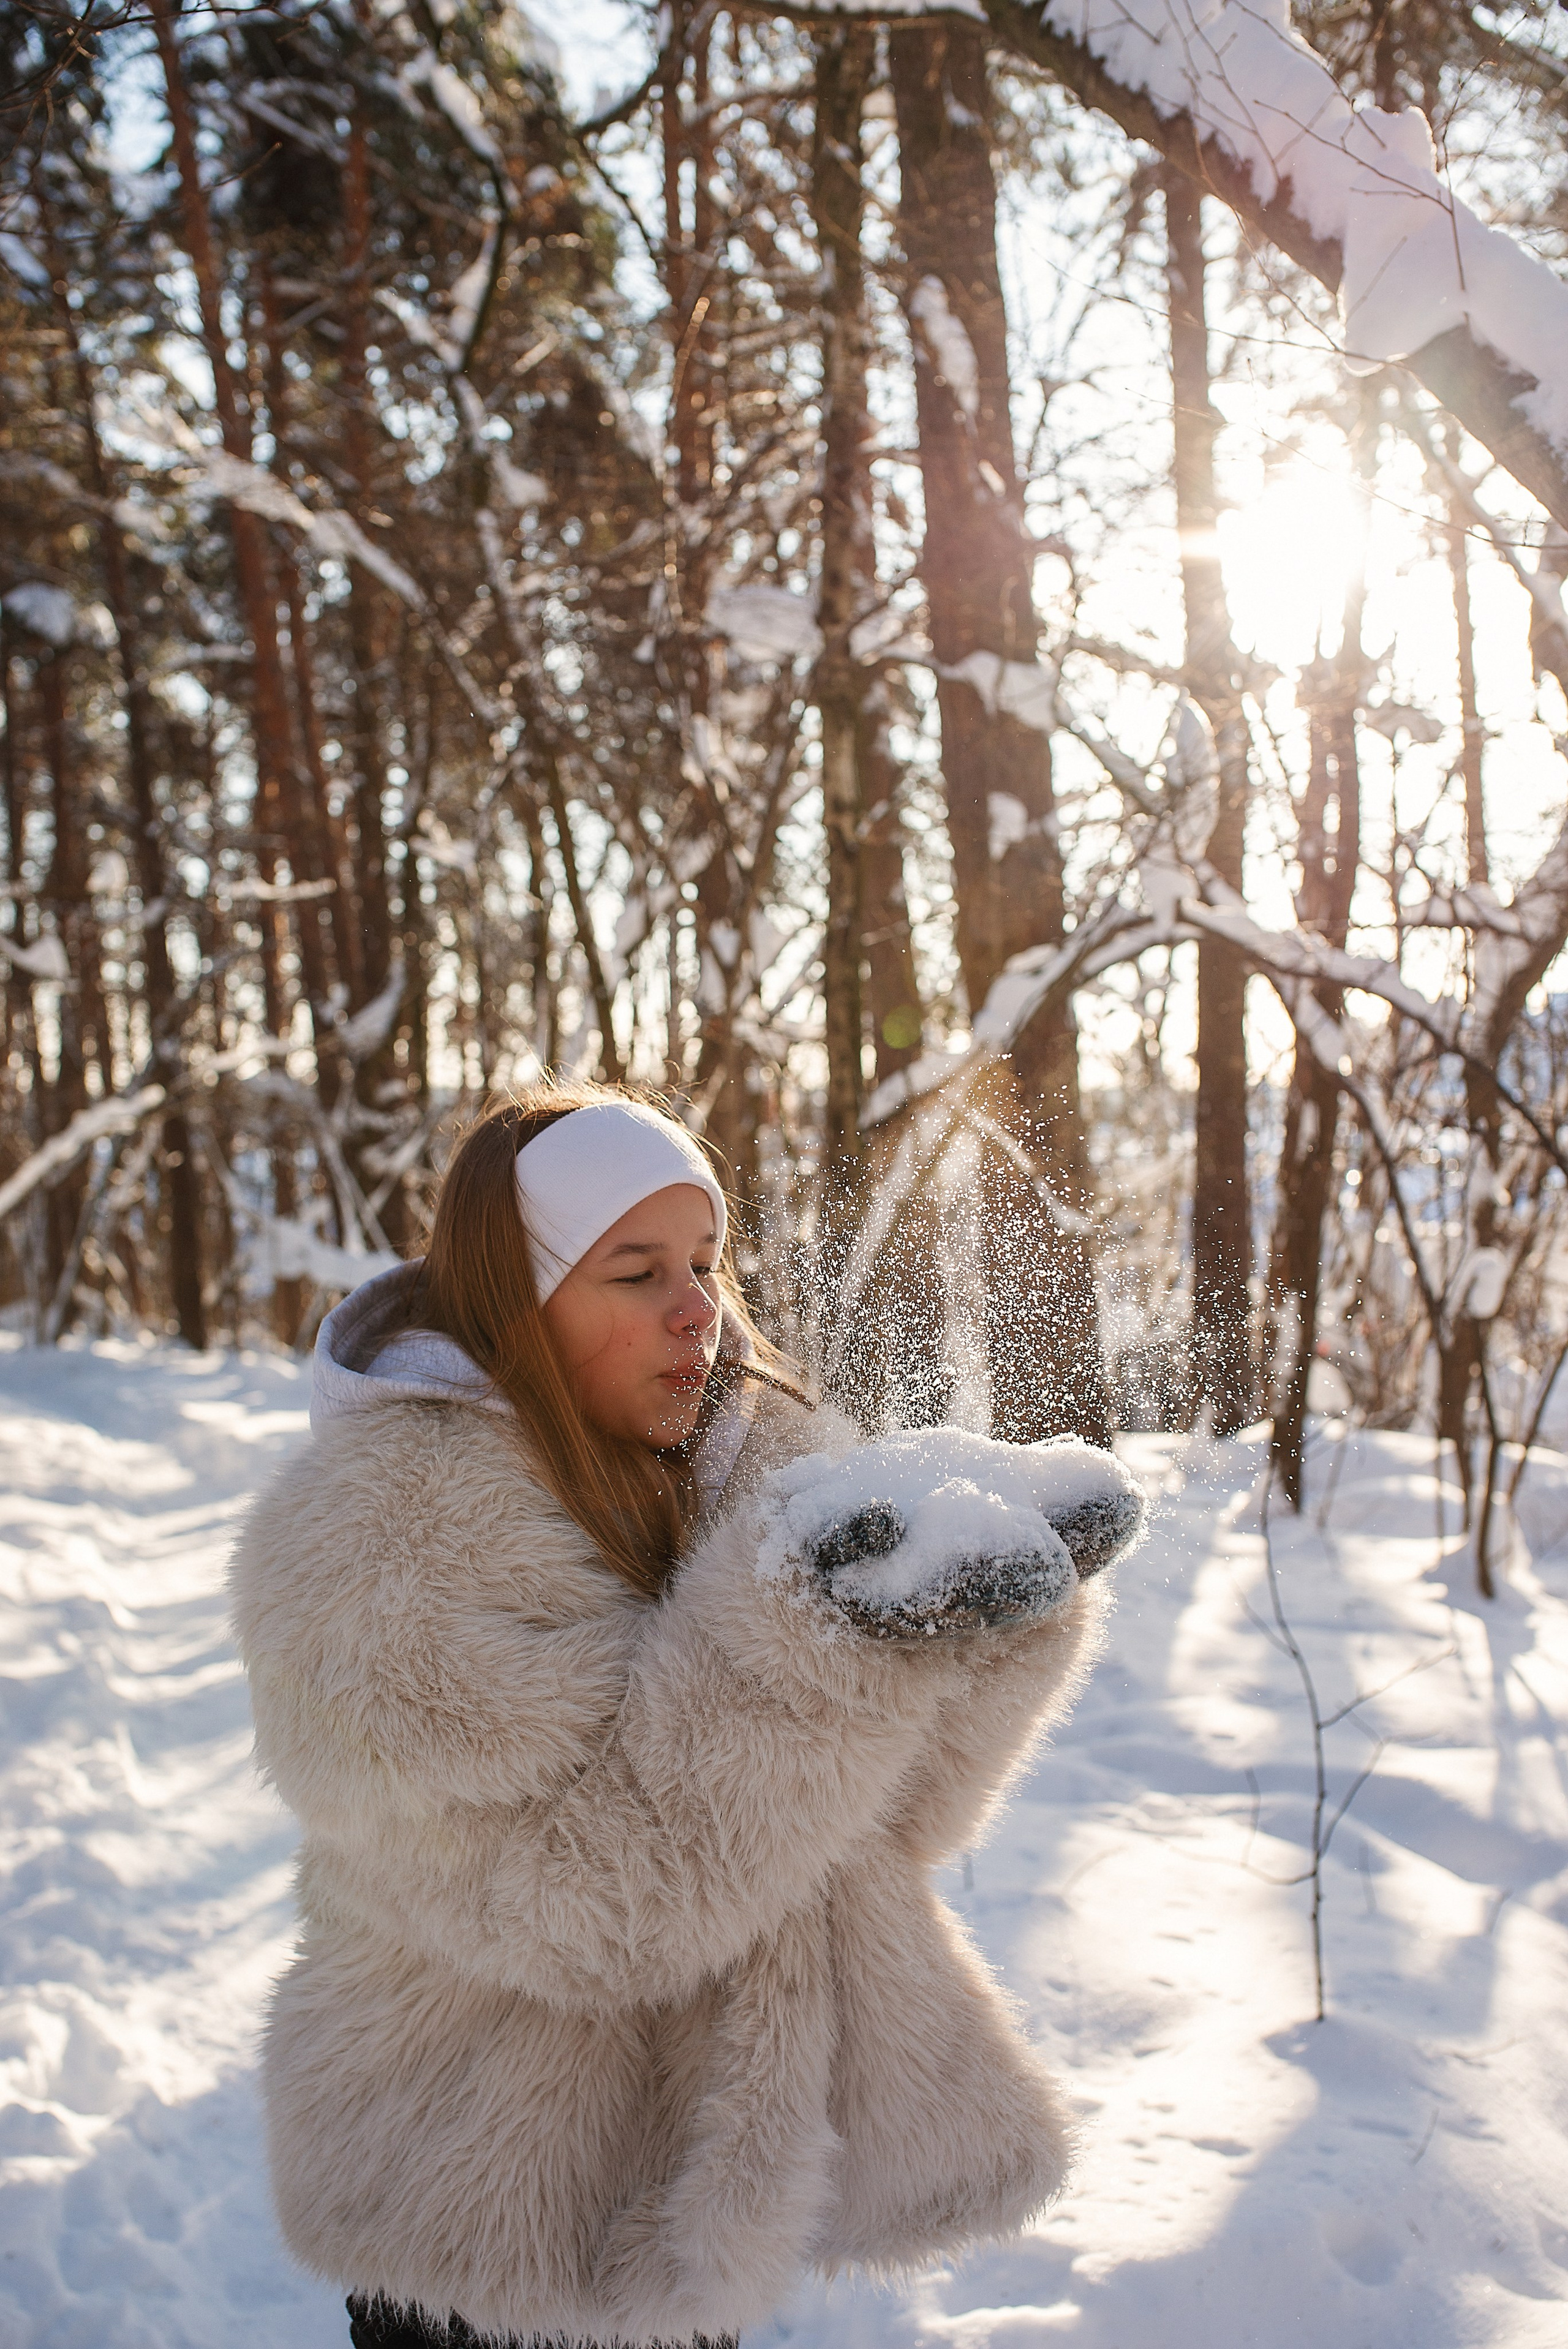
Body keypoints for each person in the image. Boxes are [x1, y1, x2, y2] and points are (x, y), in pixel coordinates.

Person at [230, 1079, 1144, 2349]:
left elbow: (881, 1825)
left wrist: (974, 1630)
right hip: (480, 2213)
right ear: (518, 1303)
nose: (695, 1310)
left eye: (707, 1261)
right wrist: (819, 1637)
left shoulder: (745, 1471)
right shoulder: (371, 1557)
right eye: (634, 1270)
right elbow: (598, 1902)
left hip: (683, 2192)